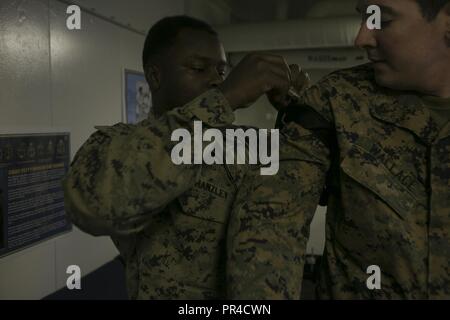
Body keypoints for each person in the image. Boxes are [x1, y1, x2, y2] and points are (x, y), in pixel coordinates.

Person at [63, 15, 308, 299]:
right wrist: (223, 100)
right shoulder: (119, 145)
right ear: (155, 76)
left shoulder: (242, 145)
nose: (216, 79)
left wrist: (298, 114)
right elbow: (95, 207)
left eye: (221, 71)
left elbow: (309, 185)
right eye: (198, 68)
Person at [226, 0, 450, 299]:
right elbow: (267, 225)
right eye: (364, 17)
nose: (362, 38)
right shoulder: (336, 101)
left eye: (381, 19)